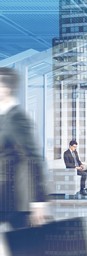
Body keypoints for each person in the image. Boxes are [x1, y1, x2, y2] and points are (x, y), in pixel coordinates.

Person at [0, 67, 49, 229]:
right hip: (5, 196)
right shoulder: (4, 117)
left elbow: (33, 159)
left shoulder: (18, 119)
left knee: (27, 248)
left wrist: (38, 201)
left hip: (14, 199)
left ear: (5, 89)